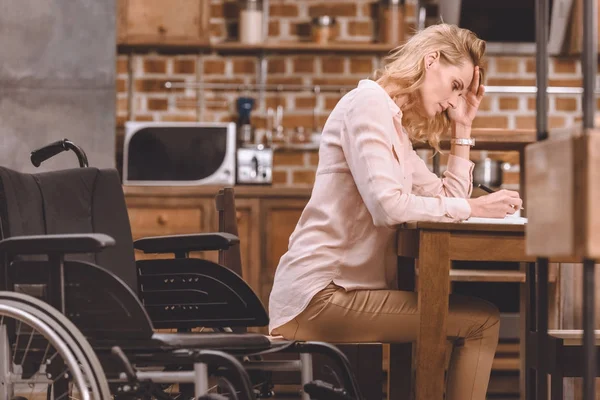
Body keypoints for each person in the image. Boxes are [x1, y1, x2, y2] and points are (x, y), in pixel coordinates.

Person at [268, 23, 523, 400]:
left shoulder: (393, 127)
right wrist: (472, 206)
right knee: (481, 321)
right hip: (321, 295)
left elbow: (443, 196)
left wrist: (463, 128)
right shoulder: (367, 105)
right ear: (431, 60)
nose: (455, 100)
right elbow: (389, 207)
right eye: (455, 85)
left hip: (343, 291)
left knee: (477, 317)